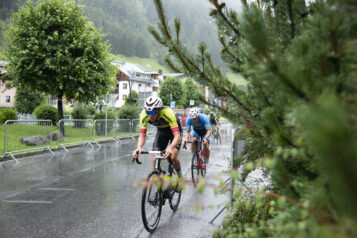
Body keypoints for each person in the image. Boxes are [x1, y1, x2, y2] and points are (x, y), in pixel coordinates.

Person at [132, 95, 183, 177]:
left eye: (153, 112)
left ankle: (179, 174)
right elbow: (142, 135)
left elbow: (177, 135)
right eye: (148, 112)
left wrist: (170, 147)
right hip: (162, 132)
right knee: (155, 157)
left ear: (159, 110)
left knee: (173, 157)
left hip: (174, 131)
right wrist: (139, 147)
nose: (150, 116)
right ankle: (157, 178)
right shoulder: (143, 115)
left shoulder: (168, 113)